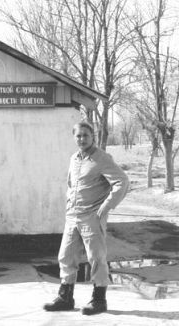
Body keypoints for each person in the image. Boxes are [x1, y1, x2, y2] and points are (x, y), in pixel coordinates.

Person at [43, 121, 129, 315]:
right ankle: (65, 298)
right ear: (74, 138)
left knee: (96, 257)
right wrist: (68, 206)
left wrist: (106, 206)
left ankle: (99, 300)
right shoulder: (74, 158)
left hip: (92, 216)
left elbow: (122, 181)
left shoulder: (102, 158)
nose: (82, 139)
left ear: (93, 137)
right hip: (73, 216)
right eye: (78, 136)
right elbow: (71, 184)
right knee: (66, 256)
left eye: (86, 135)